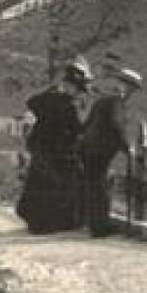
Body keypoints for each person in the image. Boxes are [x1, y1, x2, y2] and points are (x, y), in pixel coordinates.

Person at [15, 58, 88, 233]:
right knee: (58, 186)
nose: (77, 93)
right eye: (77, 89)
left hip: (42, 151)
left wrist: (52, 90)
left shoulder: (47, 100)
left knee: (39, 185)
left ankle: (37, 222)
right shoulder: (69, 106)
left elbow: (31, 102)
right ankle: (55, 223)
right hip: (58, 154)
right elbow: (75, 130)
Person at [77, 64, 143, 237]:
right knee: (100, 187)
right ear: (126, 86)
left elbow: (86, 124)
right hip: (100, 151)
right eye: (131, 87)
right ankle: (100, 227)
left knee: (94, 186)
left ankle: (94, 224)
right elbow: (116, 126)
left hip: (88, 148)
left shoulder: (103, 100)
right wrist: (127, 146)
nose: (131, 92)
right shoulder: (116, 101)